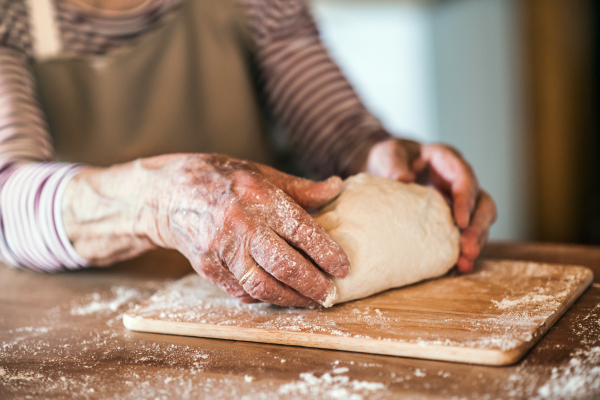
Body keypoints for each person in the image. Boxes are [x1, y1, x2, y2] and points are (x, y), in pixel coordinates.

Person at [0, 0, 496, 307]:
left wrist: (386, 161)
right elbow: (7, 199)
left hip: (260, 306)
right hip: (77, 324)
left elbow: (339, 131)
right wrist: (160, 200)